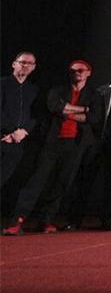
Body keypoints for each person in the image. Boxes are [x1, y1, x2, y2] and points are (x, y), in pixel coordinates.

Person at [4, 60, 98, 235]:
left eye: (80, 70)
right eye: (73, 70)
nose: (76, 73)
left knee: (62, 183)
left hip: (76, 144)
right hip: (52, 142)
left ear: (88, 73)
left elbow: (93, 117)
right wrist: (84, 109)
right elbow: (54, 107)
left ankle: (46, 220)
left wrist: (67, 111)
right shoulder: (57, 90)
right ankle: (17, 219)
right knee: (36, 181)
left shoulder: (94, 95)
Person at [67, 60, 111, 230]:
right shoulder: (100, 91)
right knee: (85, 179)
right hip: (95, 140)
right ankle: (74, 220)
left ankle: (108, 220)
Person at [1, 52, 39, 189]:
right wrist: (12, 131)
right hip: (3, 136)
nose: (26, 66)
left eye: (30, 63)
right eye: (22, 62)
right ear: (14, 64)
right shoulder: (2, 83)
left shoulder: (33, 90)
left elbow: (36, 115)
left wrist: (24, 131)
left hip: (18, 141)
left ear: (33, 67)